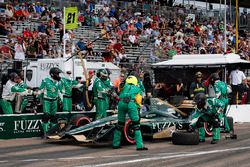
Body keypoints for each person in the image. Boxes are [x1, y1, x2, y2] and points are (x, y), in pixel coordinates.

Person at [113, 75, 148, 151]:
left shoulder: (123, 86)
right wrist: (138, 107)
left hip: (121, 103)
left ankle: (115, 144)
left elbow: (118, 90)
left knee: (120, 124)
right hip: (131, 104)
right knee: (136, 125)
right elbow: (139, 101)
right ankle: (139, 146)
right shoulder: (137, 88)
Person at [39, 67, 62, 137]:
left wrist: (61, 100)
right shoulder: (45, 80)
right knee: (46, 116)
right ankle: (45, 133)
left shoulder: (58, 82)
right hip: (47, 100)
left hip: (54, 100)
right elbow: (41, 90)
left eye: (58, 74)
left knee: (54, 117)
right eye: (57, 74)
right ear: (52, 74)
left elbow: (59, 92)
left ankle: (53, 132)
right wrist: (37, 98)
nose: (58, 75)